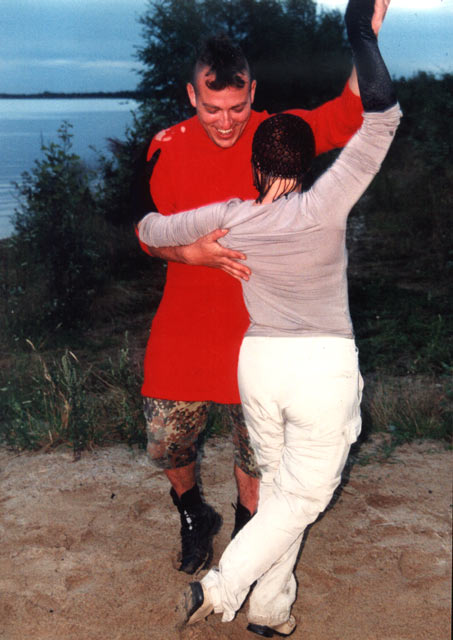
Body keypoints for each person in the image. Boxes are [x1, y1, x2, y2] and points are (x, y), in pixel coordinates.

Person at [137, 0, 398, 634]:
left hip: (255, 335)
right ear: (192, 96)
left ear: (253, 93)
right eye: (211, 108)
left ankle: (251, 548)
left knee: (262, 469)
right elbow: (149, 233)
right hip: (188, 325)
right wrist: (191, 254)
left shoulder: (281, 135)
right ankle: (194, 513)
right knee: (166, 442)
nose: (226, 121)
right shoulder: (166, 147)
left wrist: (367, 35)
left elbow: (351, 112)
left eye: (236, 107)